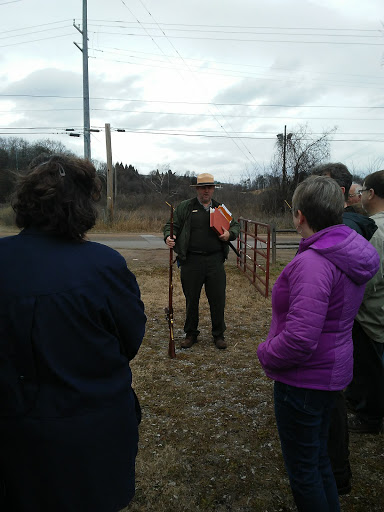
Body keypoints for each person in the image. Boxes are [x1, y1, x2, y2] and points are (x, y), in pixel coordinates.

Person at [0, 154, 146, 512]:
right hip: (92, 434)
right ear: (83, 206)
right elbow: (130, 340)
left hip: (13, 433)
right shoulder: (104, 266)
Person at [257, 175, 379, 512]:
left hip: (303, 381)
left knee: (304, 472)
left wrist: (265, 352)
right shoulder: (344, 249)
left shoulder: (314, 263)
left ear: (299, 216)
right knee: (319, 460)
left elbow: (299, 339)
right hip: (330, 374)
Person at [312, 162, 377, 494]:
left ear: (337, 194)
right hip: (342, 334)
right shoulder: (350, 230)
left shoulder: (342, 233)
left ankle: (336, 473)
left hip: (331, 337)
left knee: (330, 405)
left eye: (319, 188)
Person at [163, 172, 240, 350]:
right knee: (191, 299)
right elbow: (170, 226)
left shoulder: (220, 208)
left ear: (213, 189)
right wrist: (169, 236)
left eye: (209, 187)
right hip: (191, 261)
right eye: (203, 187)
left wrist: (230, 234)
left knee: (218, 299)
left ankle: (218, 335)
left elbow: (235, 225)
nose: (206, 191)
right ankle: (191, 334)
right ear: (197, 189)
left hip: (215, 261)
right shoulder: (185, 207)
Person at [345, 170, 384, 434]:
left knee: (371, 370)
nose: (360, 197)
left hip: (372, 317)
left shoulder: (375, 230)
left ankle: (369, 417)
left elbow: (369, 279)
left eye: (362, 192)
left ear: (370, 194)